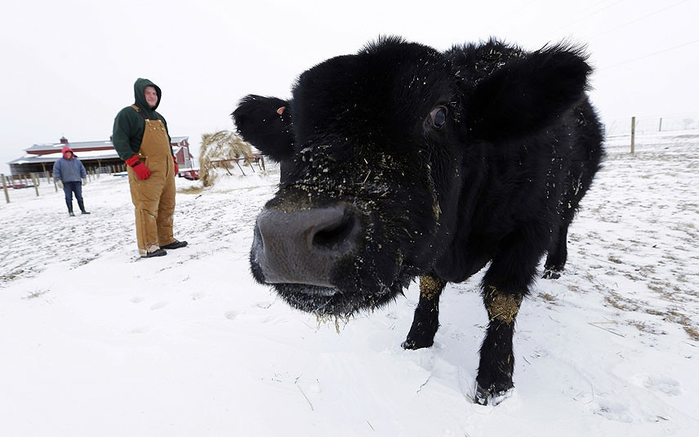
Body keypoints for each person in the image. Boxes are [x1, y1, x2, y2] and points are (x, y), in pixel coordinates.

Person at [112, 78, 188, 258]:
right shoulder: (128, 114)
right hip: (144, 167)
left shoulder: (159, 118)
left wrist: (173, 161)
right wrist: (134, 163)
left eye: (154, 93)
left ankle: (165, 239)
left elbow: (167, 141)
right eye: (148, 93)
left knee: (167, 205)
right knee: (147, 207)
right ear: (139, 94)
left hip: (166, 168)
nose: (152, 96)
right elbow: (119, 140)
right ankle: (148, 246)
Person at [53, 146, 90, 216]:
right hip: (66, 182)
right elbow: (56, 171)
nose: (68, 154)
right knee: (68, 197)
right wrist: (58, 180)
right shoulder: (59, 162)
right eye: (66, 153)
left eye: (69, 153)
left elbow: (82, 169)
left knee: (79, 196)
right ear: (64, 154)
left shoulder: (77, 161)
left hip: (77, 181)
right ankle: (70, 211)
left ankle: (83, 210)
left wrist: (84, 177)